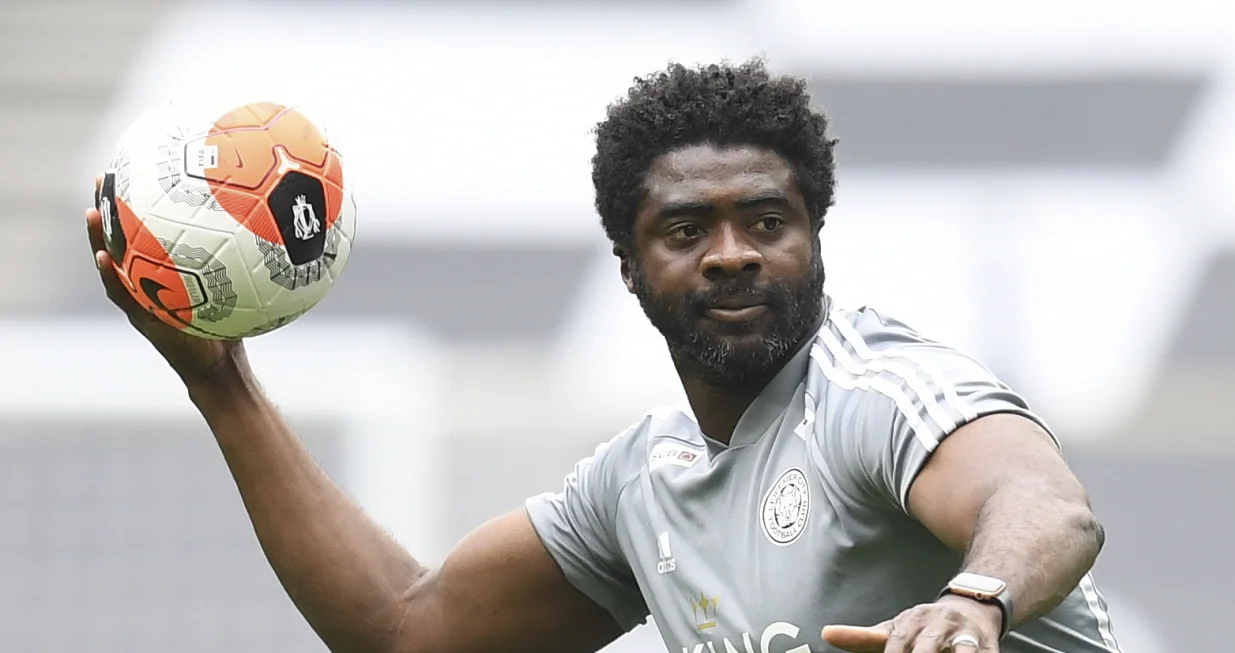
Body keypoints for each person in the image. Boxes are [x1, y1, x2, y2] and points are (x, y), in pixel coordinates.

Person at [83, 58, 1121, 653]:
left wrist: (975, 599)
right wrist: (221, 385)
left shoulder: (876, 387)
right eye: (686, 230)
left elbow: (1042, 503)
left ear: (813, 238)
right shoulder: (641, 486)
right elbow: (406, 631)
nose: (731, 253)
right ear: (630, 267)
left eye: (766, 221)